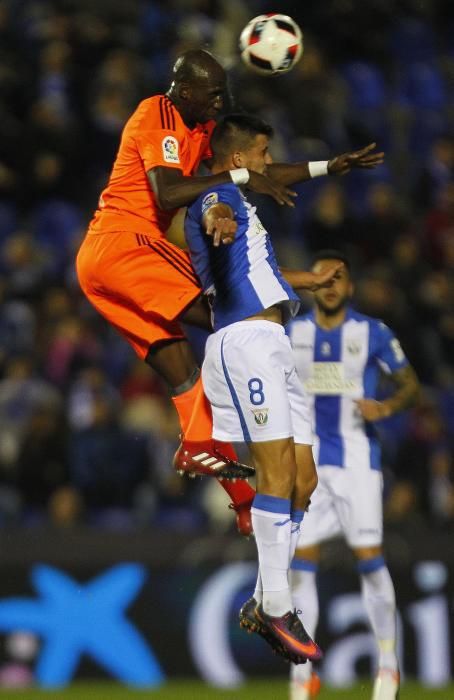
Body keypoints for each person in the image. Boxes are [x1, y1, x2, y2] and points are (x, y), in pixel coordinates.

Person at [76, 48, 384, 535]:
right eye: (213, 92)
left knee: (181, 370)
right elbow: (168, 193)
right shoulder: (157, 110)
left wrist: (330, 166)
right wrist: (236, 182)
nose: (221, 100)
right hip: (125, 244)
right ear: (185, 89)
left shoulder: (199, 134)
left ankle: (241, 499)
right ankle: (266, 414)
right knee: (237, 318)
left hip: (106, 264)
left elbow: (258, 172)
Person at [184, 113, 348, 662]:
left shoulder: (250, 212)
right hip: (245, 342)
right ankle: (278, 605)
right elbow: (214, 210)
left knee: (303, 480)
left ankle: (261, 601)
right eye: (259, 153)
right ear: (236, 160)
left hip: (276, 341)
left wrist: (312, 279)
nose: (265, 163)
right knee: (276, 469)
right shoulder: (217, 199)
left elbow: (267, 275)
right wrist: (222, 217)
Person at [286, 250, 420, 700]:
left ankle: (388, 665)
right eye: (321, 274)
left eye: (339, 276)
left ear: (350, 287)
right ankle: (303, 674)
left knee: (369, 556)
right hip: (309, 463)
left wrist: (385, 406)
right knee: (300, 566)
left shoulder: (372, 333)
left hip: (358, 461)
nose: (329, 282)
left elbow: (410, 384)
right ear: (311, 283)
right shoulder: (292, 332)